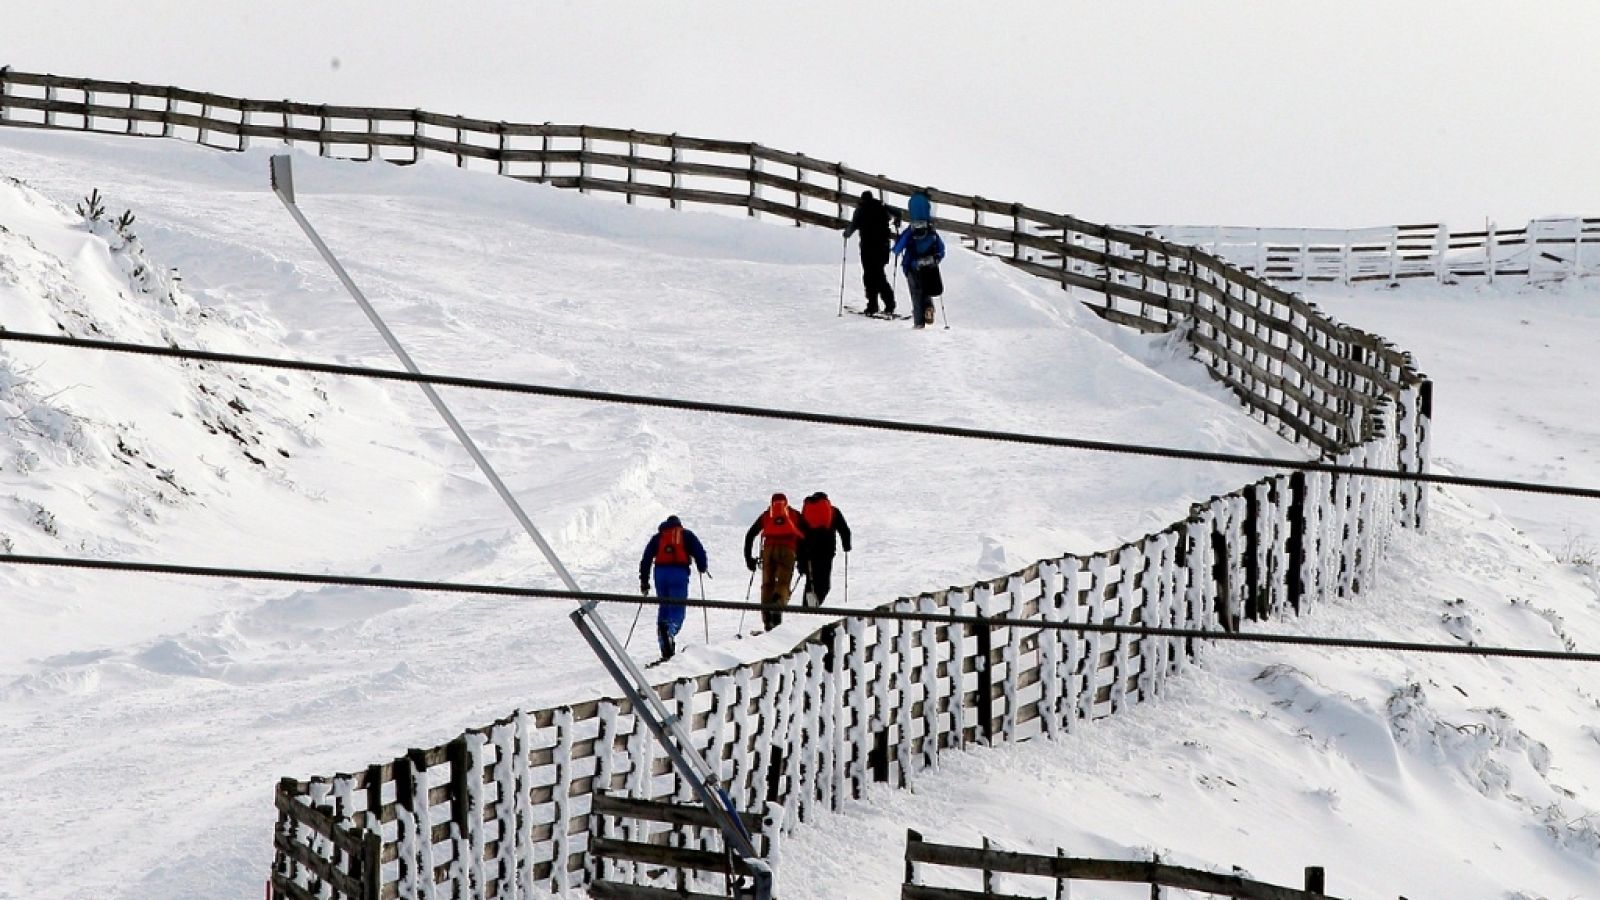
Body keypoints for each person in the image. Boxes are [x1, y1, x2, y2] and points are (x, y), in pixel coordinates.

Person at [638, 515, 709, 661]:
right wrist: (702, 566)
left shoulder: (658, 537)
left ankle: (664, 642)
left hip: (660, 573)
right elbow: (699, 552)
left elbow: (646, 559)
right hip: (678, 572)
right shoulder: (686, 534)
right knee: (677, 607)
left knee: (664, 607)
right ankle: (669, 632)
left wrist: (644, 581)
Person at [743, 493, 809, 631]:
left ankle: (767, 621)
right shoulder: (794, 514)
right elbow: (805, 537)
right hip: (788, 550)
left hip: (768, 551)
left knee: (767, 585)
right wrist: (803, 561)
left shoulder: (767, 515)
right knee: (783, 583)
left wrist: (748, 559)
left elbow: (750, 535)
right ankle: (777, 605)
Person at [893, 190, 946, 329]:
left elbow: (897, 249)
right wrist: (936, 259)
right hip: (929, 265)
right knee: (927, 288)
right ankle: (928, 308)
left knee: (916, 293)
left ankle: (918, 323)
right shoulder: (931, 230)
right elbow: (941, 249)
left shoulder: (911, 231)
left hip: (913, 265)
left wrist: (897, 243)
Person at [842, 190, 898, 316]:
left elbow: (853, 226)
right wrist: (896, 221)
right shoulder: (882, 207)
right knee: (879, 275)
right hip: (882, 247)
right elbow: (898, 213)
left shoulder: (860, 210)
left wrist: (846, 234)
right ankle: (889, 304)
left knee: (870, 276)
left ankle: (873, 305)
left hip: (868, 248)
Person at [797, 492, 851, 606]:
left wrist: (800, 559)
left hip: (809, 553)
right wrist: (846, 546)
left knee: (810, 582)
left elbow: (799, 536)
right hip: (826, 552)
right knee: (824, 584)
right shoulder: (833, 511)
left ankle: (806, 609)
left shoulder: (806, 512)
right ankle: (813, 608)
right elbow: (845, 530)